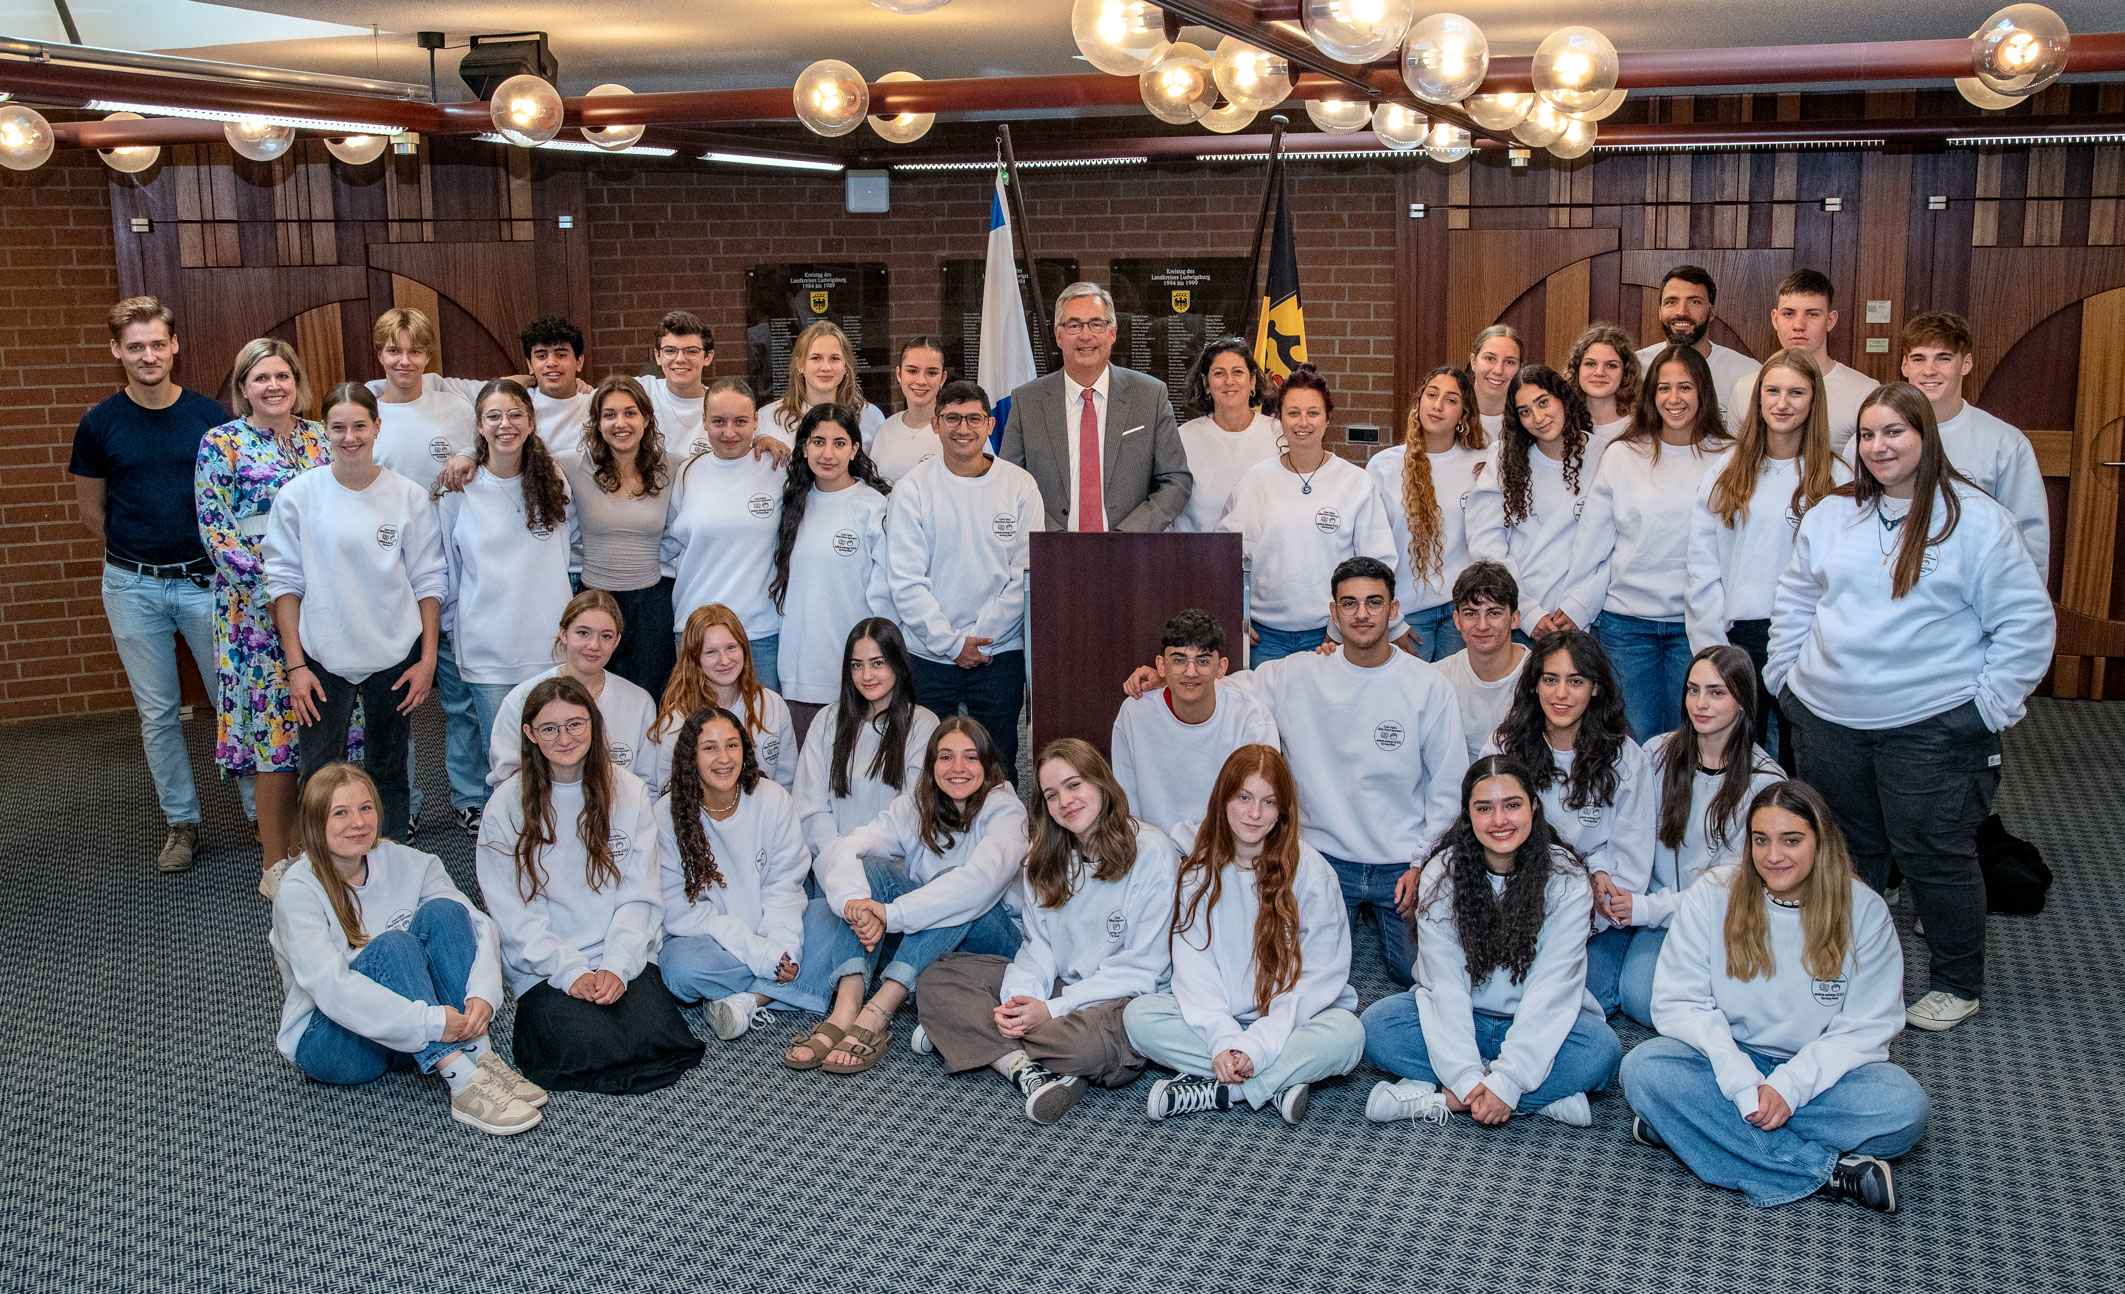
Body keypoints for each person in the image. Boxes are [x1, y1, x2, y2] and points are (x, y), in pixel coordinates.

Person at [1769, 382, 2054, 1032]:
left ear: (1924, 437)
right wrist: (1785, 680)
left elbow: (2025, 625)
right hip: (1828, 721)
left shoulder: (1976, 521)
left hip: (1932, 728)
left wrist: (1984, 710)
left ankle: (1957, 982)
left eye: (1893, 432)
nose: (1877, 446)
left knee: (1932, 854)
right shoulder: (1831, 514)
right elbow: (1795, 598)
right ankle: (1853, 970)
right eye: (1867, 435)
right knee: (1849, 855)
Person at [1128, 558, 1464, 985]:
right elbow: (1218, 684)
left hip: (1400, 862)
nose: (1361, 614)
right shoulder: (1300, 672)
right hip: (1320, 857)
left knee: (1421, 974)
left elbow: (1448, 786)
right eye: (1350, 604)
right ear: (1334, 612)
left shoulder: (1428, 686)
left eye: (1374, 603)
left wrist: (1424, 863)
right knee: (1289, 969)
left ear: (1394, 610)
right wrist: (1163, 680)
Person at [1622, 780, 1926, 1212]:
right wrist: (1742, 1081)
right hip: (1725, 1060)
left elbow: (1867, 1027)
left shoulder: (1865, 910)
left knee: (1904, 1109)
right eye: (1760, 840)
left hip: (1818, 1072)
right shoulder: (1714, 894)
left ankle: (1694, 1126)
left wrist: (1789, 1086)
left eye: (1792, 840)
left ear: (1820, 842)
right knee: (1643, 1069)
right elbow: (1679, 1002)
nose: (1773, 856)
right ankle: (1826, 1174)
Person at [912, 740, 1177, 1124]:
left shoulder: (1151, 853)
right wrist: (1021, 1002)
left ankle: (963, 1034)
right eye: (1051, 795)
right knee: (938, 980)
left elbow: (1142, 971)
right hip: (1058, 988)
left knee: (1095, 1048)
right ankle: (1022, 1063)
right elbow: (1040, 948)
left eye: (1074, 785)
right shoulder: (1044, 854)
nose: (1065, 801)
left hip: (1119, 999)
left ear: (1101, 784)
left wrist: (1051, 1010)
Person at [268, 763, 541, 1134]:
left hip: (405, 1033)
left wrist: (484, 993)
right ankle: (461, 1079)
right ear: (316, 823)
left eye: (366, 808)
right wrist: (430, 1022)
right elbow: (332, 989)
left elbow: (478, 923)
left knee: (446, 912)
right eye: (341, 813)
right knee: (394, 947)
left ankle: (478, 1052)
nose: (358, 822)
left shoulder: (403, 860)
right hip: (335, 1044)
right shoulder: (298, 892)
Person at [69, 295, 240, 873]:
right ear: (117, 351)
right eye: (134, 346)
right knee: (158, 713)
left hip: (205, 584)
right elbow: (94, 512)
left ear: (174, 347)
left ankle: (259, 811)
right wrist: (141, 551)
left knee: (230, 701)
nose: (148, 355)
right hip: (132, 586)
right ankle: (182, 824)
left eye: (156, 344)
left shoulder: (209, 416)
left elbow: (230, 499)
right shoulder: (99, 424)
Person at [1361, 755, 1622, 1129]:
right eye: (1484, 808)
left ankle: (1441, 1099)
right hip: (1465, 1017)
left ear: (1533, 807)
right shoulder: (1441, 874)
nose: (1499, 821)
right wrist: (1469, 1077)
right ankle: (1531, 1099)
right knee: (1378, 1026)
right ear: (1468, 816)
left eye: (1512, 805)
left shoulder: (1566, 878)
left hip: (1537, 1020)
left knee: (1601, 1050)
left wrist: (1509, 1079)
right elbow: (1445, 988)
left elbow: (1552, 991)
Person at [475, 676, 704, 1093]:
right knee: (582, 1050)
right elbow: (512, 913)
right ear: (529, 734)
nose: (565, 737)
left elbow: (641, 895)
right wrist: (569, 971)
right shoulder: (505, 806)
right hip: (545, 962)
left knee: (655, 1042)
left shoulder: (629, 792)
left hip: (619, 948)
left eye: (575, 724)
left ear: (594, 724)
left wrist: (617, 964)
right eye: (550, 728)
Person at [1123, 745, 1364, 1124]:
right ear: (1223, 799)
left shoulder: (1312, 872)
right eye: (1244, 798)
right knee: (1139, 1017)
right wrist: (1223, 1039)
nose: (1254, 813)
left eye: (1268, 802)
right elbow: (1194, 970)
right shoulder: (1198, 874)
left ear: (1283, 811)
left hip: (1291, 1022)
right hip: (1220, 1019)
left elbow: (1321, 977)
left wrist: (1261, 1043)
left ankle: (1221, 1090)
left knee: (1348, 1035)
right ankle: (1277, 1082)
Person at [264, 383, 444, 856]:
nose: (349, 437)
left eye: (360, 426)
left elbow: (428, 583)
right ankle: (324, 865)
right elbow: (284, 584)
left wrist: (427, 660)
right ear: (325, 431)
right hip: (322, 658)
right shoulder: (298, 496)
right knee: (321, 769)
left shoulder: (407, 496)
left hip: (393, 657)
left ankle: (390, 859)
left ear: (377, 427)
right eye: (338, 427)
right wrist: (296, 667)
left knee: (388, 768)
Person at [797, 717, 1028, 1074]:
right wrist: (854, 904)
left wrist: (891, 914)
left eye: (970, 757)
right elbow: (845, 849)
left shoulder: (1005, 809)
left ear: (987, 764)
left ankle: (880, 1010)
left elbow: (977, 885)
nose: (958, 768)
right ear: (931, 763)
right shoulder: (915, 805)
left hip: (994, 942)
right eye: (946, 757)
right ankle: (847, 1006)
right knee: (871, 867)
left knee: (954, 886)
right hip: (926, 938)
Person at [196, 338, 330, 894]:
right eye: (260, 378)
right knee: (275, 737)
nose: (273, 386)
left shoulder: (324, 437)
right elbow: (217, 530)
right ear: (243, 387)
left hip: (329, 609)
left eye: (282, 376)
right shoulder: (221, 443)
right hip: (257, 616)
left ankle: (319, 853)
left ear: (297, 380)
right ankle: (276, 862)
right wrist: (279, 592)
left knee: (324, 732)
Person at [1550, 344, 1733, 741]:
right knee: (1635, 742)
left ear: (1703, 392)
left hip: (1695, 627)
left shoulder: (1730, 458)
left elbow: (1735, 550)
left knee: (1692, 741)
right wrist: (1573, 603)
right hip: (1627, 628)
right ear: (1651, 395)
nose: (1674, 398)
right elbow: (1592, 543)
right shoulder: (1624, 454)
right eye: (1663, 388)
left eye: (1684, 387)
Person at [1686, 349, 1846, 766]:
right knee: (1739, 759)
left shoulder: (1837, 476)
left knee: (1805, 758)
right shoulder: (1727, 471)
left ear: (1814, 401)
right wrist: (1711, 647)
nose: (1782, 403)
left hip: (1812, 635)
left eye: (1796, 392)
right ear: (1758, 399)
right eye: (1772, 391)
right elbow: (1703, 565)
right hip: (1744, 635)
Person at [1611, 646, 1782, 1028]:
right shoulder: (1655, 753)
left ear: (1742, 702)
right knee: (1621, 993)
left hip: (1718, 920)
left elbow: (1730, 887)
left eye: (1717, 692)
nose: (1700, 704)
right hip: (1649, 911)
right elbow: (1620, 828)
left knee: (1649, 998)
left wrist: (1646, 910)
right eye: (1693, 690)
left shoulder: (1766, 783)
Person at [1487, 630, 1653, 1015]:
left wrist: (1590, 881)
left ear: (1595, 688)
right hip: (1512, 903)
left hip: (1590, 918)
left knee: (1584, 1002)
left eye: (1575, 681)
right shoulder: (1505, 745)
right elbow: (1486, 833)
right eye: (1550, 679)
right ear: (1535, 685)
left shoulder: (1626, 759)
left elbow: (1630, 866)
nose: (1560, 694)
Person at [885, 380, 1043, 781]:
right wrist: (952, 644)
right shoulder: (912, 489)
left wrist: (980, 640)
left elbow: (1024, 577)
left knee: (999, 763)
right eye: (952, 418)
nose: (963, 428)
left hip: (999, 654)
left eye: (974, 418)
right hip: (929, 656)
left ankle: (1001, 840)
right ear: (935, 424)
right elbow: (906, 581)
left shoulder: (1019, 486)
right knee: (928, 765)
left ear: (990, 424)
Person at [365, 307, 483, 834]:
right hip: (387, 579)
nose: (404, 360)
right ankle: (402, 806)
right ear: (380, 354)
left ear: (429, 356)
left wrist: (469, 458)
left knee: (459, 697)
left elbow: (490, 456)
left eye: (415, 350)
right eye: (394, 350)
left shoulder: (456, 409)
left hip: (451, 575)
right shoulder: (365, 412)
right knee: (396, 706)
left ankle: (470, 795)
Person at [655, 706, 840, 1038]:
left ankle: (750, 1000)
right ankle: (785, 987)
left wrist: (783, 948)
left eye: (732, 745)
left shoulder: (773, 799)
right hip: (712, 941)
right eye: (709, 748)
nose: (724, 758)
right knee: (679, 969)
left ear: (745, 749)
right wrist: (761, 955)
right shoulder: (665, 815)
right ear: (691, 757)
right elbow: (683, 912)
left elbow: (786, 888)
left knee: (835, 917)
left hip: (776, 927)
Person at [435, 379, 577, 801]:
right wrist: (452, 630)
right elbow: (450, 567)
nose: (505, 424)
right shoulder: (460, 489)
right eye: (493, 416)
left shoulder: (553, 480)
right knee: (504, 758)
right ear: (478, 426)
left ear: (531, 422)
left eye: (515, 414)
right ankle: (493, 826)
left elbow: (569, 553)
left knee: (556, 749)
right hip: (489, 647)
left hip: (548, 644)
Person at [1218, 364, 1400, 662]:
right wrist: (1233, 611)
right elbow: (1224, 558)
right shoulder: (1255, 482)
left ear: (1328, 419)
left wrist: (1340, 627)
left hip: (1332, 637)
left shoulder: (1356, 483)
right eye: (1293, 413)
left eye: (1313, 413)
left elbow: (1377, 566)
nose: (1303, 422)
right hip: (1264, 640)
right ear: (1278, 419)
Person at [999, 281, 1192, 533]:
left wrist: (1126, 535)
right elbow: (1010, 483)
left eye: (1096, 324)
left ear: (1112, 333)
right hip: (1052, 552)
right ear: (1058, 335)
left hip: (1130, 552)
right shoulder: (1027, 402)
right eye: (1074, 325)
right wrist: (1053, 536)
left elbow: (1176, 481)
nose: (1086, 335)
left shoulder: (1150, 396)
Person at [770, 403, 895, 740]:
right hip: (800, 672)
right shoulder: (792, 502)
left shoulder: (874, 506)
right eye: (818, 441)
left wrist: (876, 664)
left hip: (857, 672)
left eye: (839, 443)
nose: (828, 453)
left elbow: (885, 597)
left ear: (855, 449)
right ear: (805, 447)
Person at [1893, 311, 2048, 573]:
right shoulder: (1873, 440)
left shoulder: (2005, 443)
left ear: (1966, 364)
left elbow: (2029, 536)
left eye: (1943, 358)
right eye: (1919, 358)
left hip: (1970, 592)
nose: (1929, 370)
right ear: (1905, 365)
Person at [664, 377, 788, 692]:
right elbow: (667, 545)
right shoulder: (687, 473)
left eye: (740, 421)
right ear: (704, 421)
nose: (729, 432)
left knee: (761, 731)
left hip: (759, 632)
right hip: (695, 631)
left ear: (756, 422)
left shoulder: (778, 468)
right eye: (719, 421)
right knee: (699, 733)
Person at [1110, 609, 1278, 840]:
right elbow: (1127, 806)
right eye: (1179, 660)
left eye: (1203, 661)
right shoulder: (1134, 712)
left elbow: (1258, 808)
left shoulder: (1250, 716)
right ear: (1161, 665)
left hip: (1229, 849)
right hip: (1154, 855)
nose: (1191, 672)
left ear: (1221, 667)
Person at [1464, 365, 1595, 638]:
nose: (1538, 417)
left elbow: (1615, 546)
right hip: (1520, 618)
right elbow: (1486, 543)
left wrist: (1581, 606)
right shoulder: (1504, 459)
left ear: (1563, 398)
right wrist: (1526, 611)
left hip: (1583, 619)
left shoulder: (1606, 455)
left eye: (1543, 402)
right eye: (1525, 411)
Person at [793, 618, 940, 859]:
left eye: (878, 663)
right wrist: (841, 860)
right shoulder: (827, 720)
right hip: (835, 866)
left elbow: (914, 812)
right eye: (857, 665)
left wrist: (858, 852)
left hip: (894, 869)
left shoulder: (923, 724)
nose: (866, 675)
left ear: (898, 664)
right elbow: (810, 808)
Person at [1371, 365, 1487, 660]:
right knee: (1408, 703)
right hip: (1407, 614)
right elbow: (1371, 550)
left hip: (1462, 612)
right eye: (1432, 395)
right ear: (1419, 402)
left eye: (1451, 400)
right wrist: (1391, 620)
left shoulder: (1482, 465)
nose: (1438, 406)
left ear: (1464, 413)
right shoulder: (1383, 466)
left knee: (1459, 701)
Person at [485, 590, 655, 788]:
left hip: (618, 812)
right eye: (583, 633)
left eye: (606, 636)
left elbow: (648, 784)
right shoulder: (521, 699)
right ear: (563, 633)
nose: (594, 645)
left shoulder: (639, 701)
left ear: (617, 641)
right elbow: (507, 779)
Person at [641, 604, 798, 795]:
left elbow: (786, 785)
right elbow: (669, 792)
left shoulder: (772, 705)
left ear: (745, 649)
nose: (724, 660)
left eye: (731, 647)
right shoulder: (676, 720)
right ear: (694, 659)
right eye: (711, 652)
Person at [1732, 270, 1878, 455]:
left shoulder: (1864, 393)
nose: (1798, 325)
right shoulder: (1746, 388)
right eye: (1789, 313)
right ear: (1775, 319)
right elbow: (1736, 465)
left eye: (1812, 314)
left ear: (1830, 320)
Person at [1633, 265, 1760, 428]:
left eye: (1694, 302)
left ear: (1712, 311)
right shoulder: (1635, 367)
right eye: (1671, 302)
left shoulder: (1748, 373)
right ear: (1659, 311)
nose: (1682, 312)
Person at [1172, 337, 1277, 534]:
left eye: (1238, 372)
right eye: (1219, 373)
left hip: (1263, 560)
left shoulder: (1278, 435)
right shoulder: (1184, 437)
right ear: (1206, 384)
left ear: (1252, 380)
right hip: (1198, 557)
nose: (1229, 381)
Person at [1431, 561, 1529, 761]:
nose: (1482, 625)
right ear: (1457, 620)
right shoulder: (1437, 678)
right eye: (1471, 614)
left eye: (1494, 613)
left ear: (1515, 618)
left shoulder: (1541, 676)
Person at [766, 319, 885, 448]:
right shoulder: (768, 419)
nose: (826, 367)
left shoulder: (871, 417)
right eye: (816, 358)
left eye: (835, 358)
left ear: (846, 365)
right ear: (799, 364)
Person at [869, 335, 946, 481]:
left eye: (932, 373)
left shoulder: (959, 429)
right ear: (899, 374)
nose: (921, 381)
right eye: (912, 371)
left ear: (943, 378)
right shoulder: (887, 428)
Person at [640, 309, 715, 455]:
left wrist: (761, 438)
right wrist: (581, 385)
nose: (680, 359)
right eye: (670, 350)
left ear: (708, 357)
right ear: (658, 355)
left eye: (691, 351)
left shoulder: (722, 404)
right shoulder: (641, 391)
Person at [1569, 321, 1642, 442]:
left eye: (1611, 365)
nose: (1599, 372)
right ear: (1577, 369)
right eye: (1590, 364)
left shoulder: (1641, 426)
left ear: (1626, 373)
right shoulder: (1561, 424)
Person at [1466, 324, 1523, 440]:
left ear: (1520, 369)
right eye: (1490, 359)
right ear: (1473, 362)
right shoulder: (1450, 418)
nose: (1498, 370)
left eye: (1510, 362)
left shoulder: (1530, 423)